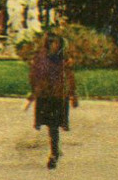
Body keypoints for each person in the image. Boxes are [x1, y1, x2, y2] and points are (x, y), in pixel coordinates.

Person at [26, 30, 79, 169]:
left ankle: (54, 152)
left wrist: (73, 95)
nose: (52, 45)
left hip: (58, 96)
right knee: (51, 125)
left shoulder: (64, 61)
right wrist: (34, 90)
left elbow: (70, 78)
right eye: (50, 42)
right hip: (45, 95)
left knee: (54, 125)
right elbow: (34, 75)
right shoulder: (41, 59)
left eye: (55, 42)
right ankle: (55, 150)